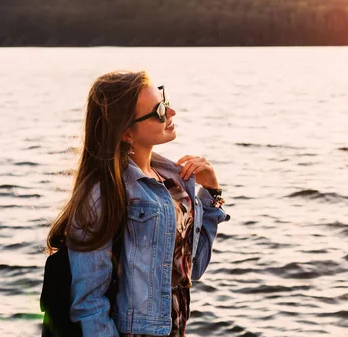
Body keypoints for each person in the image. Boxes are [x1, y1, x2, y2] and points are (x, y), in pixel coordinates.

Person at [46, 70, 230, 337]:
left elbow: (193, 269)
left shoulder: (177, 183)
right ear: (126, 133)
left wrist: (211, 193)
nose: (171, 113)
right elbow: (89, 304)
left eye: (164, 101)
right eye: (158, 111)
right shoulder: (102, 194)